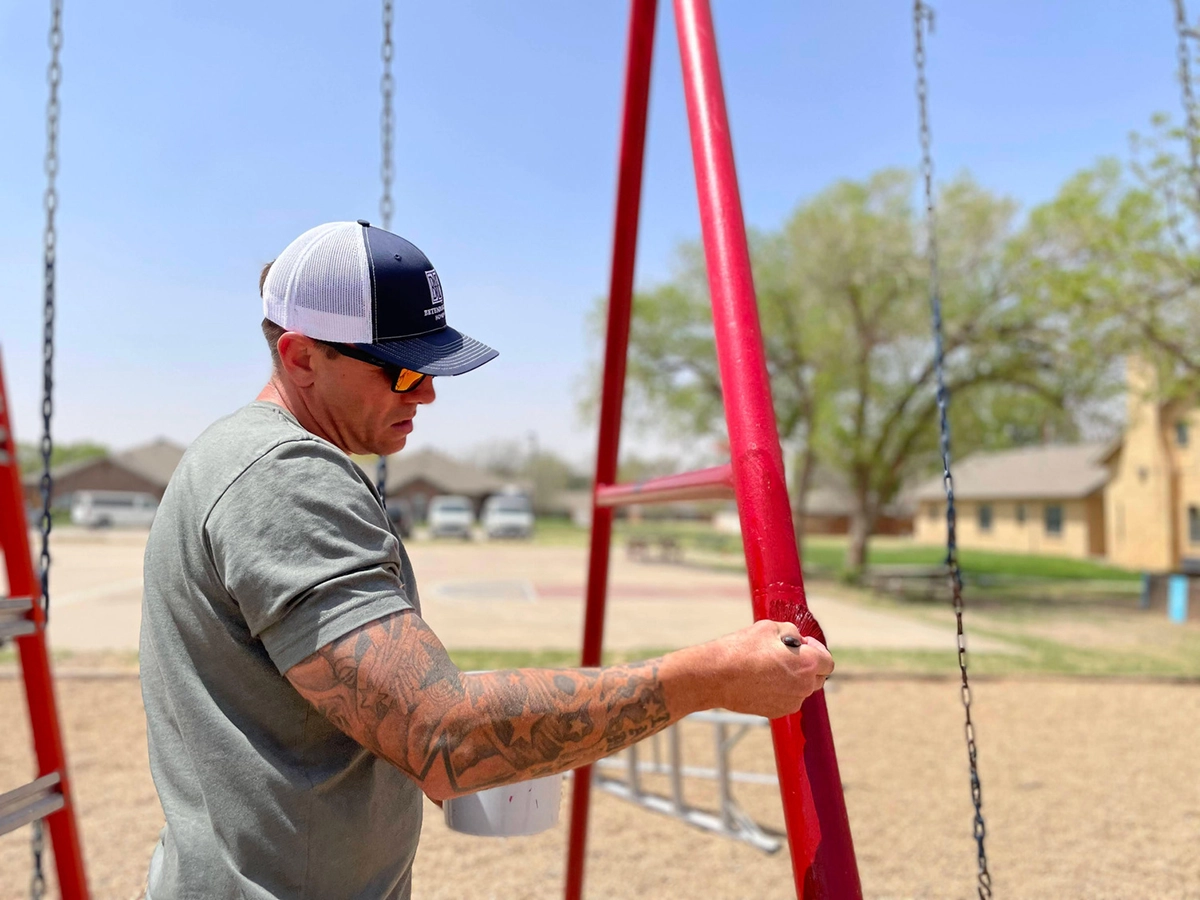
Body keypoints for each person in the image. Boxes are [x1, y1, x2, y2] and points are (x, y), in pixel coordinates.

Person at [139, 220, 834, 900]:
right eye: (406, 372)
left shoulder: (247, 457)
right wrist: (706, 678)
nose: (430, 394)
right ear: (300, 357)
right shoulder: (284, 477)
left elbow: (383, 715)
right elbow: (443, 735)